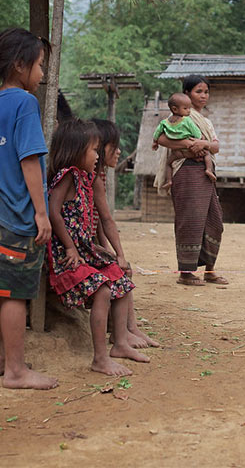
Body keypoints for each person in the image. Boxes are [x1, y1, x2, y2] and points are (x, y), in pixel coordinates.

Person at [0, 27, 57, 390]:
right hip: (15, 213)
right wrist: (41, 213)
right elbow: (29, 161)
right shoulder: (25, 103)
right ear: (21, 66)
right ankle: (16, 371)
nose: (42, 74)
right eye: (40, 66)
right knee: (15, 293)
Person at [47, 119, 150, 376]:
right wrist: (71, 248)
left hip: (83, 251)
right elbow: (53, 211)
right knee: (102, 289)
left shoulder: (87, 179)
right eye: (94, 150)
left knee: (119, 277)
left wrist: (114, 254)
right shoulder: (67, 176)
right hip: (65, 255)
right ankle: (100, 358)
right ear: (75, 150)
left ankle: (121, 343)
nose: (97, 155)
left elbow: (104, 220)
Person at [90, 118, 160, 348]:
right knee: (122, 269)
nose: (119, 151)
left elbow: (98, 219)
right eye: (115, 146)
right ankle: (125, 332)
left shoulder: (97, 175)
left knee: (124, 267)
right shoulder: (93, 177)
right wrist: (116, 253)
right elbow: (106, 219)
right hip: (83, 246)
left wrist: (108, 248)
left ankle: (131, 328)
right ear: (101, 147)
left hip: (90, 243)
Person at [154, 75, 227, 286]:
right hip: (185, 170)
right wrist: (190, 143)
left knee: (214, 221)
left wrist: (201, 143)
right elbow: (161, 139)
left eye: (206, 92)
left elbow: (216, 146)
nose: (203, 96)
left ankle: (210, 270)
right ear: (186, 94)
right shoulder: (176, 118)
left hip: (205, 174)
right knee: (190, 221)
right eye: (198, 91)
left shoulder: (206, 122)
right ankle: (186, 273)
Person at [152, 92, 216, 187]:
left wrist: (155, 142)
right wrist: (201, 139)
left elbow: (157, 133)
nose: (189, 111)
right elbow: (197, 134)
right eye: (186, 108)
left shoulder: (164, 122)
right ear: (174, 109)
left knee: (168, 163)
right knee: (207, 154)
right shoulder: (187, 120)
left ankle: (169, 180)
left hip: (178, 153)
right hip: (191, 151)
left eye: (189, 108)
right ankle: (208, 170)